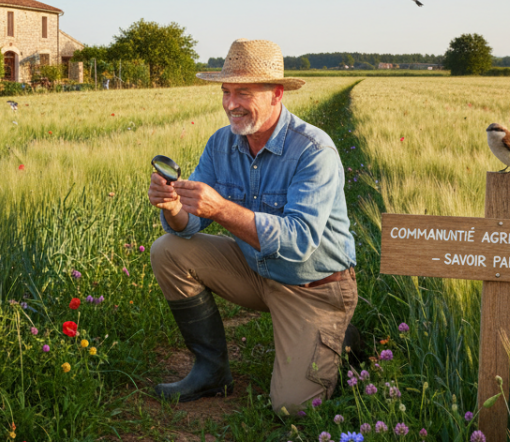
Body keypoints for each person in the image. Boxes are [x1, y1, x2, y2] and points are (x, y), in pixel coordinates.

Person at [147, 39, 358, 417]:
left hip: (312, 287)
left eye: (243, 92)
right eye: (226, 92)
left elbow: (298, 242)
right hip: (255, 270)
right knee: (168, 249)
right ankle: (211, 371)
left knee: (292, 409)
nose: (230, 104)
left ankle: (340, 336)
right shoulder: (221, 144)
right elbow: (188, 225)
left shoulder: (314, 151)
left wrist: (223, 209)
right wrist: (173, 205)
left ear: (277, 94)